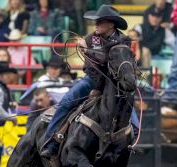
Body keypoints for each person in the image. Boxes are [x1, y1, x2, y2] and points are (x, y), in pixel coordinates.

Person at [40, 5, 139, 159]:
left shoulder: (122, 41)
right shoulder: (90, 39)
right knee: (66, 102)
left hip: (114, 85)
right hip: (92, 80)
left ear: (111, 24)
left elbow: (112, 61)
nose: (96, 24)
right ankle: (51, 142)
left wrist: (88, 51)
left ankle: (133, 139)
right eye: (96, 21)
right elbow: (92, 68)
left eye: (100, 21)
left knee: (128, 107)